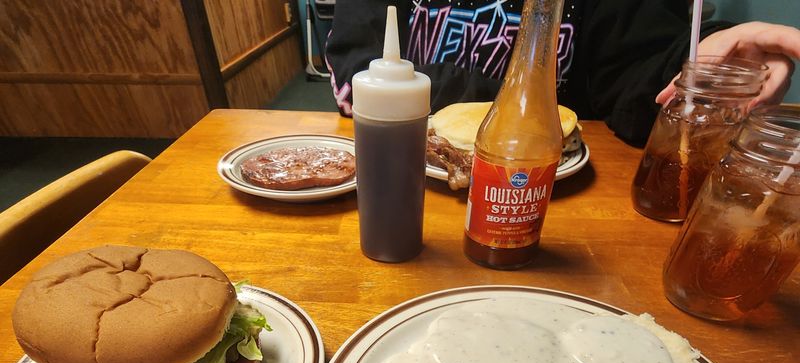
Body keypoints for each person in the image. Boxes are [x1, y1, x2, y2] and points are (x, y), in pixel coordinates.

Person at [325, 0, 800, 146]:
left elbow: (639, 84)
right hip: (399, 165)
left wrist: (708, 55)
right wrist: (515, 103)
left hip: (551, 191)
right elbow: (356, 76)